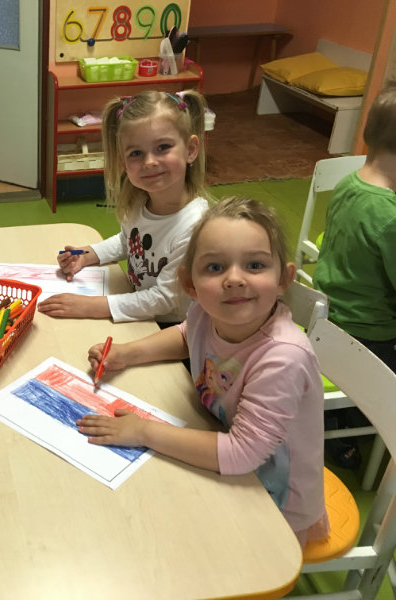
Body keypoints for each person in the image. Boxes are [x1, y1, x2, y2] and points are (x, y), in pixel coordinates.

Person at [77, 197, 328, 546]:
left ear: (284, 278)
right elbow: (187, 335)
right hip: (227, 461)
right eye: (215, 267)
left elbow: (241, 453)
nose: (234, 279)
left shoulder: (283, 358)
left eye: (255, 265)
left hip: (276, 507)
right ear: (189, 284)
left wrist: (143, 430)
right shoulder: (206, 313)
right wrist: (127, 353)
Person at [38, 90, 210, 324]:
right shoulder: (141, 201)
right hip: (141, 315)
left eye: (163, 147)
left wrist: (91, 306)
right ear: (123, 163)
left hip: (172, 328)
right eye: (136, 153)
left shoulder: (196, 227)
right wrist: (88, 255)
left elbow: (164, 299)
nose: (149, 162)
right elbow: (128, 241)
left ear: (190, 149)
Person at [313, 85, 396, 468]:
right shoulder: (389, 214)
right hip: (369, 333)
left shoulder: (350, 182)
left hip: (327, 316)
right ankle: (348, 421)